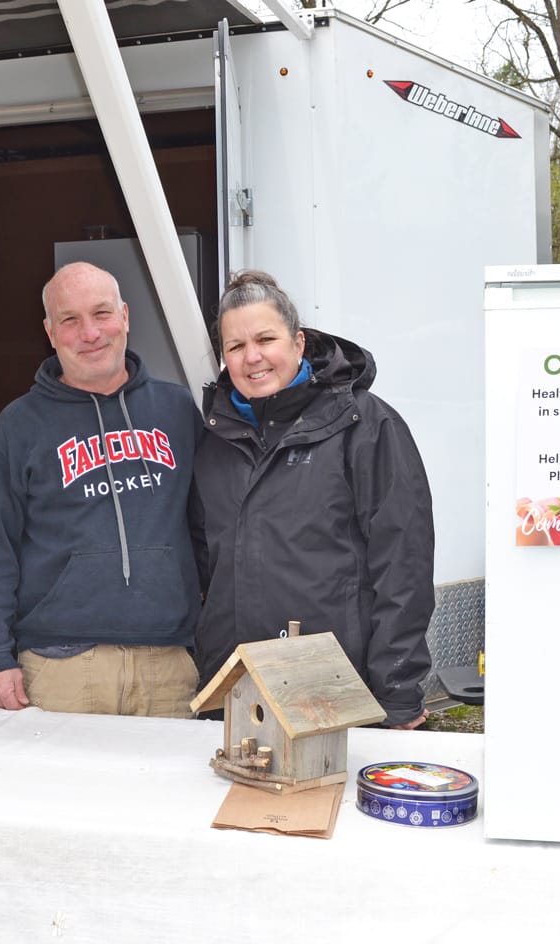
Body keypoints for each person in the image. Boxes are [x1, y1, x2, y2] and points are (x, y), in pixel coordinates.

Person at [192, 270, 435, 729]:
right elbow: (206, 566)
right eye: (236, 346)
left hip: (338, 690)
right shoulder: (213, 439)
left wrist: (398, 691)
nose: (253, 357)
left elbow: (404, 564)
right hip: (240, 692)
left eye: (266, 338)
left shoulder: (365, 425)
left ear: (299, 343)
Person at [0, 261, 202, 718]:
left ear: (126, 317)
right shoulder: (18, 427)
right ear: (50, 332)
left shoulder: (177, 410)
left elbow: (211, 529)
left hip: (167, 665)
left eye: (102, 313)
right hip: (61, 670)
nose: (90, 333)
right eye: (70, 320)